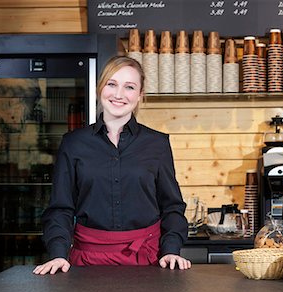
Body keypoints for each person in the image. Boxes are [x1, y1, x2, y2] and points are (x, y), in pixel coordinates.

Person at [33, 56, 191, 275]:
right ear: (101, 88)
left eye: (129, 87)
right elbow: (61, 208)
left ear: (140, 95)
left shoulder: (157, 144)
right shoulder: (73, 143)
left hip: (148, 263)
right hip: (87, 264)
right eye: (112, 84)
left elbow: (172, 207)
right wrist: (59, 254)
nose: (119, 94)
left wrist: (171, 249)